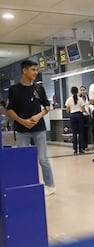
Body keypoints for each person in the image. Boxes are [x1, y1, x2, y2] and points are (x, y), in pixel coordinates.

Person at [6, 60, 55, 196]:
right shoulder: (14, 90)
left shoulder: (39, 88)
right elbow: (9, 110)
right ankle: (26, 183)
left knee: (43, 158)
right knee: (23, 158)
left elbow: (47, 107)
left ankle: (50, 185)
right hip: (22, 131)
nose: (35, 72)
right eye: (33, 70)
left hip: (39, 129)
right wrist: (22, 121)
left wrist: (37, 116)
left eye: (36, 70)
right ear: (24, 71)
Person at [65, 86, 86, 155]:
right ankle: (81, 149)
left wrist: (72, 108)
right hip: (79, 116)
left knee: (74, 133)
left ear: (71, 92)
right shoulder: (80, 99)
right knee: (81, 133)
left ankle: (75, 149)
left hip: (72, 116)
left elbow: (67, 110)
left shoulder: (68, 99)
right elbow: (83, 109)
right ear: (77, 91)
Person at [79, 85, 91, 151]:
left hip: (87, 115)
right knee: (82, 131)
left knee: (86, 131)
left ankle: (86, 145)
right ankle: (82, 146)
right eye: (81, 90)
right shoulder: (78, 98)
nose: (83, 91)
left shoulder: (88, 97)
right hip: (81, 115)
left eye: (84, 90)